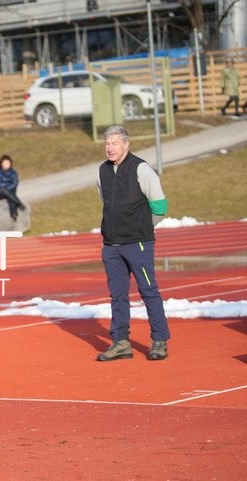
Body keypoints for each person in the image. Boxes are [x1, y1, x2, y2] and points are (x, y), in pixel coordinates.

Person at [95, 125, 170, 362]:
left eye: (115, 143)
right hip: (111, 246)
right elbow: (106, 202)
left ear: (126, 144)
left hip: (137, 244)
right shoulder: (102, 171)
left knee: (148, 292)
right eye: (107, 143)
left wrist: (141, 228)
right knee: (117, 295)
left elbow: (159, 207)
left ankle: (159, 340)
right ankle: (121, 342)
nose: (110, 148)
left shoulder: (141, 168)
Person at [0, 154, 25, 221]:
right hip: (0, 192)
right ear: (1, 164)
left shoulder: (13, 173)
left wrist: (6, 187)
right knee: (5, 191)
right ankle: (19, 203)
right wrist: (7, 187)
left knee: (10, 197)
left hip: (11, 192)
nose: (7, 164)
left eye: (8, 162)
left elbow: (15, 183)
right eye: (5, 162)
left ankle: (14, 215)